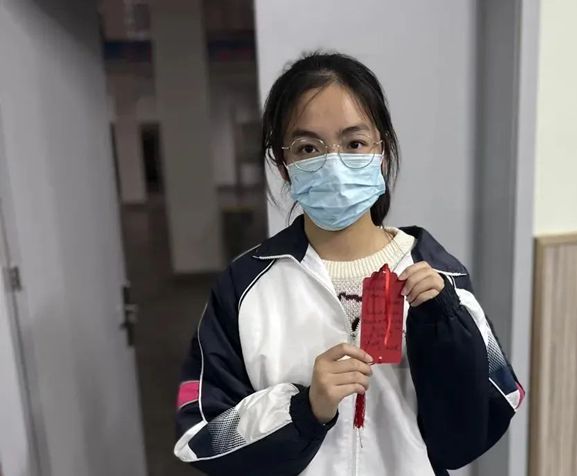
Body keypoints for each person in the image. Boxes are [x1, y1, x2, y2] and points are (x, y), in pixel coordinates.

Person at [173, 52, 524, 476]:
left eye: (354, 143)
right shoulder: (243, 286)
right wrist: (303, 410)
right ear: (284, 166)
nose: (333, 163)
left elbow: (485, 416)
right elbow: (202, 434)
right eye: (308, 148)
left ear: (382, 150)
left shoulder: (440, 276)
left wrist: (448, 332)